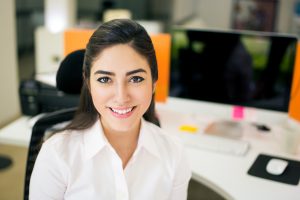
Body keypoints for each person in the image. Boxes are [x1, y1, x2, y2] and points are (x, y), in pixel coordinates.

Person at [29, 19, 191, 200]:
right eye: (105, 79)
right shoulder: (57, 155)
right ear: (88, 83)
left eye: (136, 79)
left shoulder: (174, 154)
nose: (121, 97)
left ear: (153, 83)